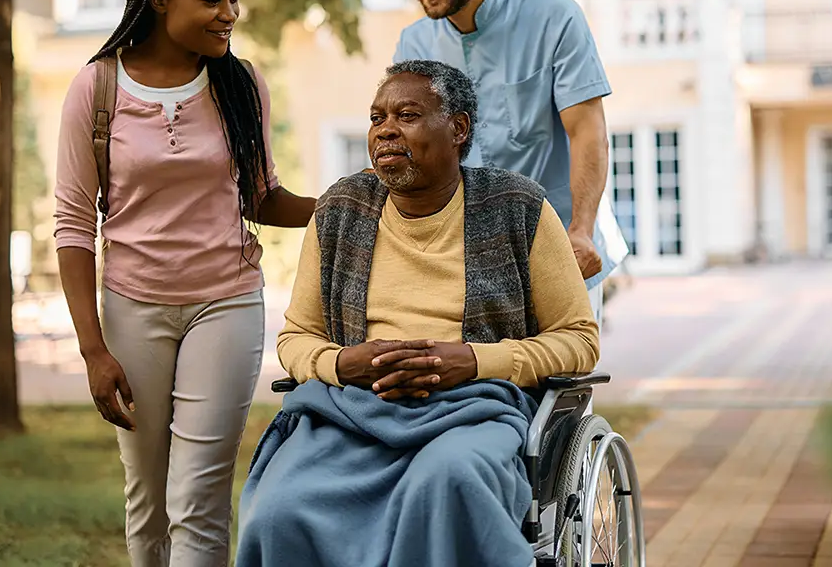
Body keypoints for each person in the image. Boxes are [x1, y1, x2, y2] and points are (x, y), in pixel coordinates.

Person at [235, 61, 599, 567]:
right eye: (377, 117)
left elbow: (579, 339)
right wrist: (344, 365)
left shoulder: (518, 207)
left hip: (473, 411)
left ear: (458, 128)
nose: (385, 129)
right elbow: (297, 338)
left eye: (407, 115)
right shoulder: (341, 211)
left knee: (446, 481)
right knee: (277, 510)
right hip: (352, 411)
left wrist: (473, 360)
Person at [54, 0, 315, 567]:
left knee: (197, 499)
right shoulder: (98, 88)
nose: (229, 13)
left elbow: (261, 198)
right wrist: (93, 351)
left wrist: (345, 204)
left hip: (224, 305)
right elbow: (72, 225)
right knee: (147, 497)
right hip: (131, 309)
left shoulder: (239, 83)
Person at [390, 0, 618, 324]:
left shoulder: (555, 18)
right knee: (484, 389)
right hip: (468, 268)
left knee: (560, 387)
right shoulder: (413, 44)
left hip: (563, 253)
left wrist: (582, 231)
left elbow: (587, 131)